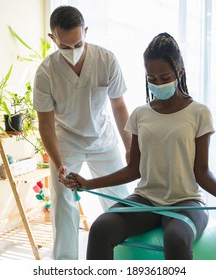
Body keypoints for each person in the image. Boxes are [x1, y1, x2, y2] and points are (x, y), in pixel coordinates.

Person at [66, 32, 216, 260]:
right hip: (145, 199)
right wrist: (89, 183)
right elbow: (134, 169)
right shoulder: (140, 114)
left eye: (165, 77)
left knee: (176, 239)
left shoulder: (199, 113)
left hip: (186, 202)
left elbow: (202, 171)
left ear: (180, 72)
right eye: (152, 78)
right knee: (100, 229)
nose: (158, 83)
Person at [33, 5, 131, 260]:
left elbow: (119, 106)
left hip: (103, 138)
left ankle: (127, 255)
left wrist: (131, 148)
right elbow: (45, 123)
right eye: (65, 47)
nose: (73, 51)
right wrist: (59, 164)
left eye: (77, 43)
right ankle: (65, 264)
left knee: (120, 199)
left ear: (86, 32)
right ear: (53, 39)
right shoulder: (45, 72)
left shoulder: (106, 60)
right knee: (63, 204)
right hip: (66, 140)